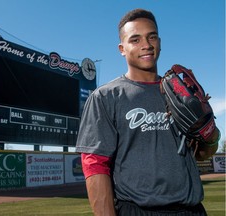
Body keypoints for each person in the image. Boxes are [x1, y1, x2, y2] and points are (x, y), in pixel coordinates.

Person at [75, 8, 220, 216]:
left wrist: (211, 135)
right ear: (121, 48)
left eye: (152, 36)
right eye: (135, 39)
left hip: (192, 210)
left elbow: (202, 153)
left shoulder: (181, 93)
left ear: (159, 41)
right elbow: (95, 165)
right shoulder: (106, 97)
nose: (146, 45)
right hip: (137, 210)